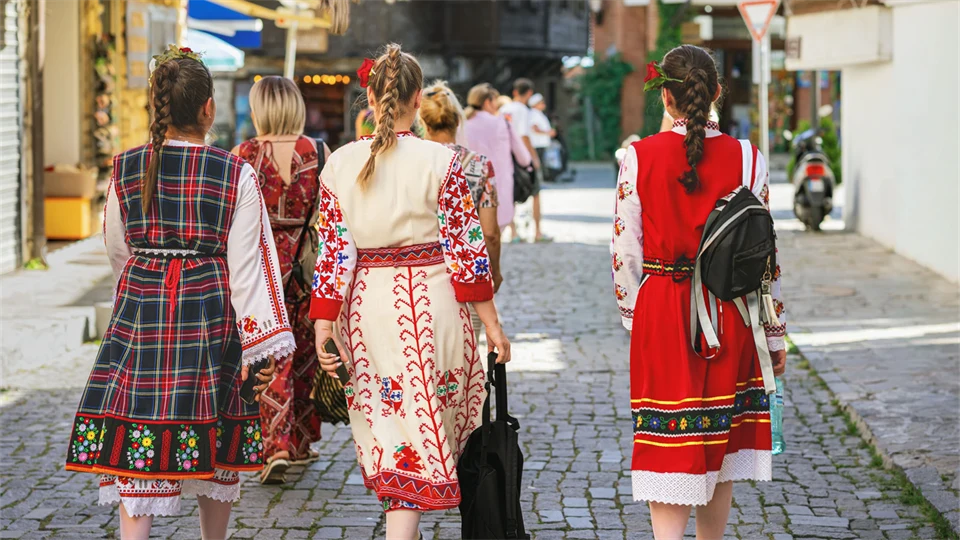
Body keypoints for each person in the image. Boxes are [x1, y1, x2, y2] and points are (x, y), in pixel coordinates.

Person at [64, 46, 294, 539]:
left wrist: (144, 286)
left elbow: (116, 249)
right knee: (214, 437)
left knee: (137, 431)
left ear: (158, 106)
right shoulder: (234, 172)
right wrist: (262, 346)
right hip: (209, 315)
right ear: (208, 108)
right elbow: (249, 266)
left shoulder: (125, 167)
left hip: (141, 313)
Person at [310, 44, 512, 539]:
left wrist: (322, 324)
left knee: (392, 429)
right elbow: (468, 253)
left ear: (370, 96)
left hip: (368, 313)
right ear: (416, 99)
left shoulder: (339, 163)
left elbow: (333, 254)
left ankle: (405, 530)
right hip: (436, 307)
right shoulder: (440, 161)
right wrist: (493, 326)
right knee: (425, 430)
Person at [612, 45, 788, 539]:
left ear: (665, 96)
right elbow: (764, 262)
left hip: (664, 311)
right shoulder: (749, 158)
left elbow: (624, 255)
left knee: (668, 449)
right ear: (715, 93)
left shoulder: (637, 157)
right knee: (722, 446)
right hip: (730, 311)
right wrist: (774, 337)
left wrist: (636, 317)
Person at [232, 76, 333, 484]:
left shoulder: (243, 155)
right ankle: (301, 443)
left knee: (269, 354)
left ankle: (273, 445)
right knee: (306, 354)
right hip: (305, 268)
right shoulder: (319, 151)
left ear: (260, 110)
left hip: (260, 266)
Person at [421, 80, 503, 340]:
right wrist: (494, 271)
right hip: (466, 276)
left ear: (422, 122)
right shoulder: (479, 165)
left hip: (419, 273)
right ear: (458, 121)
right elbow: (489, 232)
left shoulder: (410, 161)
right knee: (467, 358)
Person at [464, 83, 532, 232]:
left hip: (469, 191)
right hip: (499, 189)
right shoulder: (503, 124)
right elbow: (524, 158)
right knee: (494, 238)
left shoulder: (462, 125)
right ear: (488, 102)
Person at [499, 78, 547, 242]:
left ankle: (513, 232)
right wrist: (533, 157)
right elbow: (524, 136)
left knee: (510, 192)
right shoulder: (523, 110)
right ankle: (538, 232)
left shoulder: (504, 108)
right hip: (522, 153)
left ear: (514, 92)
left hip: (507, 153)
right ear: (529, 93)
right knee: (536, 192)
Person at [528, 93, 556, 183]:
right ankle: (537, 181)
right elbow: (535, 128)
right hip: (537, 143)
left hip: (541, 143)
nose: (543, 104)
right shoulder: (534, 114)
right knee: (538, 163)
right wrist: (548, 132)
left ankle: (541, 180)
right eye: (541, 102)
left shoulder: (538, 113)